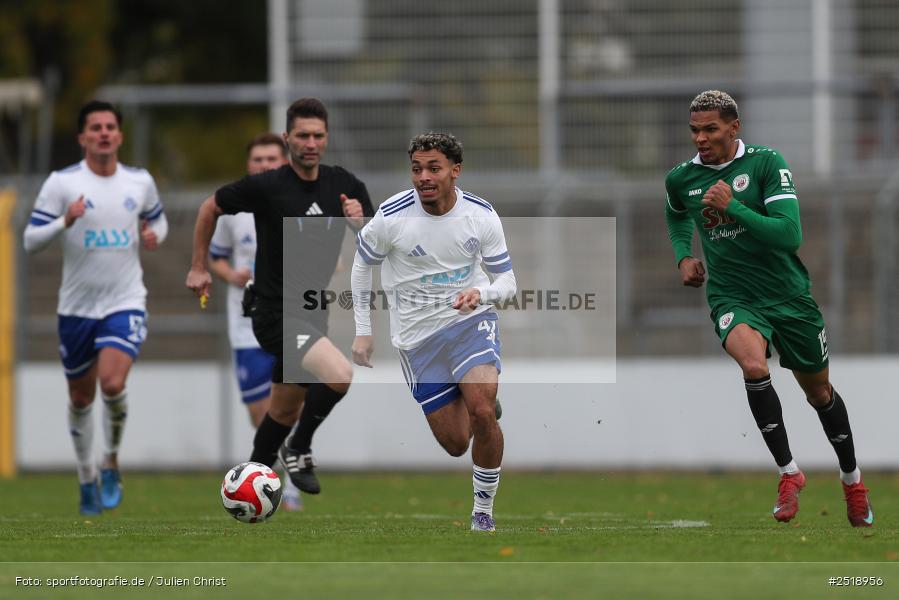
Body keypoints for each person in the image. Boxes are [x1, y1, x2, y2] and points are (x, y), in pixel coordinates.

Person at [664, 90, 873, 527]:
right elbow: (677, 213)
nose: (700, 138)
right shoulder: (682, 177)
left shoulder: (766, 163)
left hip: (788, 296)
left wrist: (732, 206)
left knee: (819, 393)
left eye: (710, 129)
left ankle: (852, 482)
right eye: (695, 130)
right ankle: (789, 474)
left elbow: (788, 235)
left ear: (734, 127)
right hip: (732, 296)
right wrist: (684, 255)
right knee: (754, 367)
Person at [186, 98, 374, 495]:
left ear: (327, 138)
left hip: (313, 313)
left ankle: (246, 486)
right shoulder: (267, 186)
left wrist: (360, 225)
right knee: (340, 375)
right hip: (274, 314)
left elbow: (375, 245)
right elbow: (210, 207)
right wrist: (199, 266)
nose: (310, 143)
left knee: (284, 409)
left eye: (318, 135)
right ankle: (299, 447)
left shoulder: (345, 186)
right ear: (288, 138)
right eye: (302, 135)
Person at [350, 132, 516, 532]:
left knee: (480, 408)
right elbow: (361, 265)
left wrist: (482, 292)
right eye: (416, 168)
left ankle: (483, 512)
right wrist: (362, 330)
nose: (423, 176)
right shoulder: (392, 216)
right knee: (457, 443)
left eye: (433, 168)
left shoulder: (481, 215)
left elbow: (508, 283)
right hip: (417, 339)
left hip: (469, 324)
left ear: (455, 171)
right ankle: (482, 408)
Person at [23, 100, 168, 515]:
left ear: (120, 136)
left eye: (110, 127)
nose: (104, 133)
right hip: (76, 308)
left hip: (125, 300)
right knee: (81, 398)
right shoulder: (62, 183)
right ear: (82, 137)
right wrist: (64, 222)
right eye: (96, 127)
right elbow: (31, 241)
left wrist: (153, 235)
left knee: (111, 383)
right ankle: (86, 475)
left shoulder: (139, 182)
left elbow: (158, 221)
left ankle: (111, 462)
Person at [208, 132, 301, 510]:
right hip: (245, 325)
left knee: (284, 406)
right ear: (249, 167)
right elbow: (216, 256)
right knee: (258, 413)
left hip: (289, 320)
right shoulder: (233, 210)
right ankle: (275, 473)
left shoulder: (299, 204)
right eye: (257, 160)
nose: (264, 166)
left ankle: (286, 483)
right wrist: (228, 273)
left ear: (284, 163)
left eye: (271, 159)